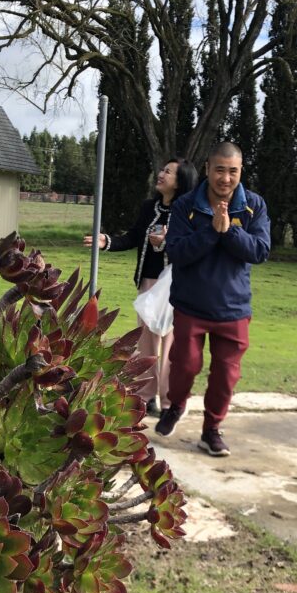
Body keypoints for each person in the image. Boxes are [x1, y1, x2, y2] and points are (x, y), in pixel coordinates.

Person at [154, 141, 270, 455]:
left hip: (233, 309)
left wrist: (230, 231)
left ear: (240, 171)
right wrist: (210, 232)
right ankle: (176, 405)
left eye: (233, 171)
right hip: (191, 305)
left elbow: (260, 250)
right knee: (185, 366)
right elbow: (176, 251)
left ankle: (211, 430)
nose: (226, 178)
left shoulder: (253, 206)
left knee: (226, 375)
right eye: (220, 170)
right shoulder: (185, 205)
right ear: (207, 169)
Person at [84, 158, 198, 416]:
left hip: (176, 285)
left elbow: (194, 248)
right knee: (146, 341)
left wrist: (168, 243)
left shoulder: (189, 212)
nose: (161, 175)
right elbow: (133, 237)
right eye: (162, 170)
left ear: (180, 182)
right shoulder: (149, 208)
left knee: (171, 345)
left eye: (168, 172)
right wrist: (107, 242)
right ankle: (147, 397)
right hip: (148, 283)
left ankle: (171, 402)